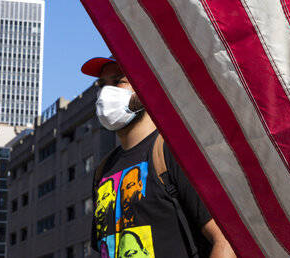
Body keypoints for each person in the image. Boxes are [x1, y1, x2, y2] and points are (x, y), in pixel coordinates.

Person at [83, 56, 235, 258]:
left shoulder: (174, 152)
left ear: (146, 85)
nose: (106, 94)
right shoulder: (103, 171)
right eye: (102, 85)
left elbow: (226, 241)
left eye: (119, 81)